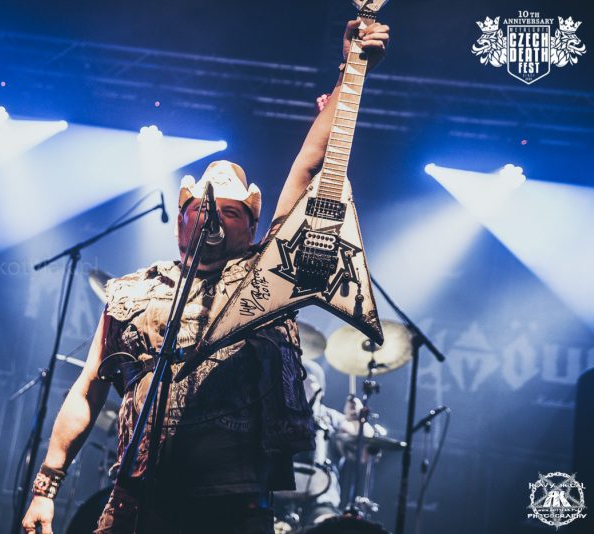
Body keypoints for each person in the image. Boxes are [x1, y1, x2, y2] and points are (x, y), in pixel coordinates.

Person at [22, 18, 390, 534]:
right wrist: (46, 487)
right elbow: (88, 389)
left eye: (232, 212)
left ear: (252, 225)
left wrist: (352, 69)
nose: (214, 218)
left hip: (234, 507)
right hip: (136, 502)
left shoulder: (268, 278)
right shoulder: (133, 292)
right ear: (182, 220)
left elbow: (309, 167)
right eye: (202, 209)